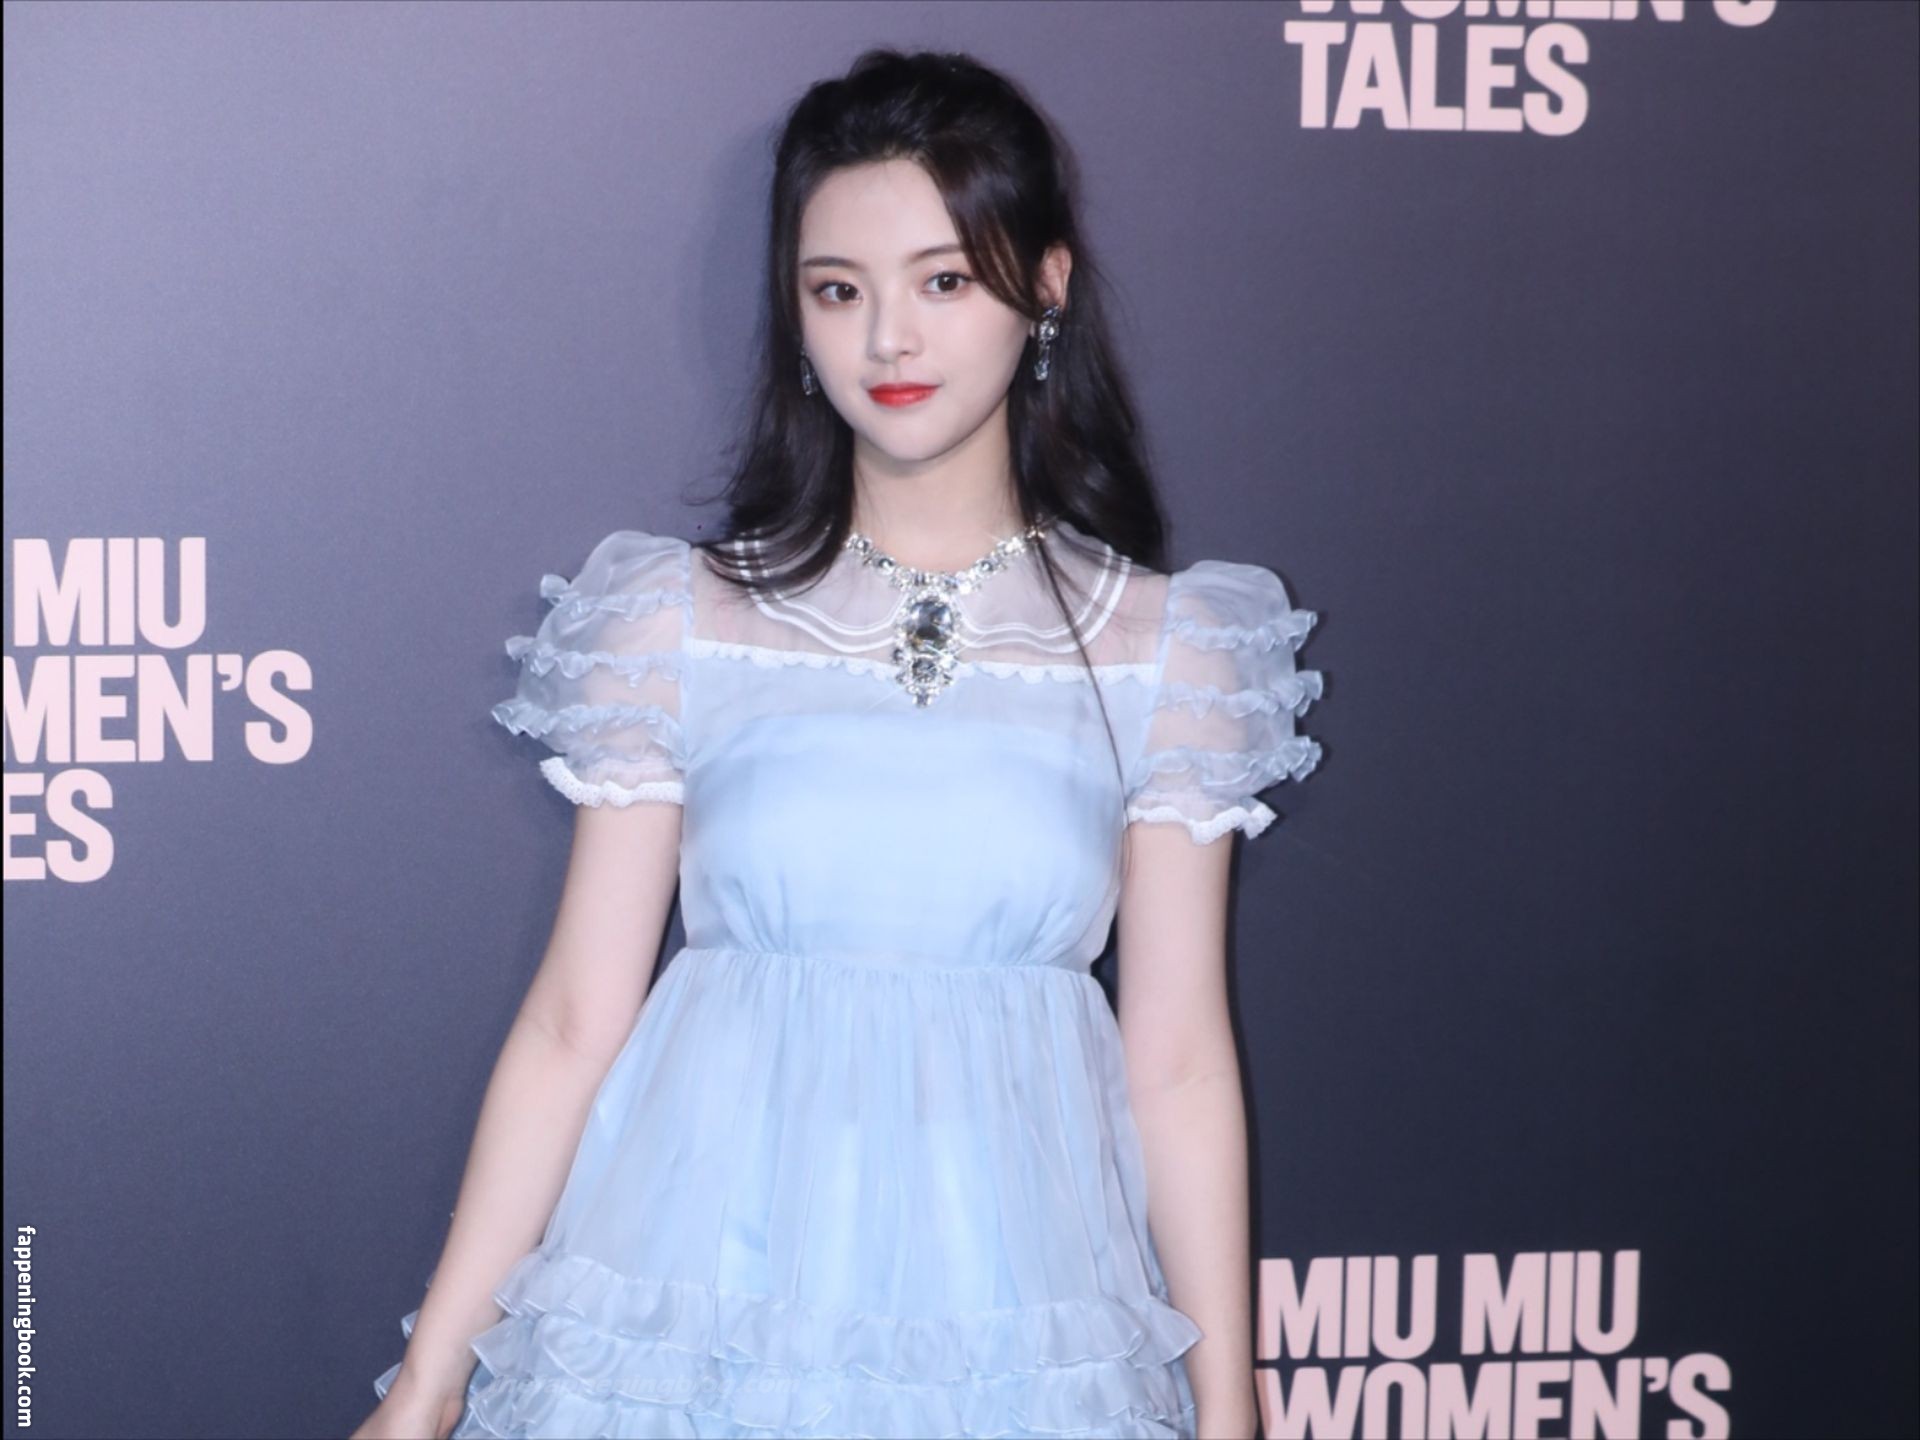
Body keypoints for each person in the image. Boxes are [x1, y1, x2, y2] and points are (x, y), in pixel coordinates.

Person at [351, 46, 1323, 1440]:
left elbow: (1177, 1063)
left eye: (945, 282)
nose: (889, 343)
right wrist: (428, 1386)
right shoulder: (675, 621)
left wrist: (1230, 1411)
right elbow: (573, 1023)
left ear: (1045, 285)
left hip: (1011, 1321)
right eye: (838, 290)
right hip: (697, 1308)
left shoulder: (1170, 652)